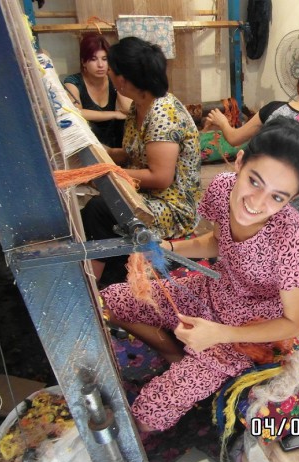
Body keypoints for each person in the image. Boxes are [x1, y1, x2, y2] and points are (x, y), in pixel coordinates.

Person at [100, 118, 299, 432]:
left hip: (247, 327)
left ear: (291, 200)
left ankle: (194, 359)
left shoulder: (291, 237)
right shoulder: (222, 187)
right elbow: (218, 241)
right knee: (113, 300)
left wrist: (219, 334)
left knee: (149, 413)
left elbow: (293, 322)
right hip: (212, 290)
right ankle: (172, 351)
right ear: (240, 162)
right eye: (254, 181)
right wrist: (167, 248)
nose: (257, 202)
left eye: (277, 197)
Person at [80, 37, 202, 285]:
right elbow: (132, 152)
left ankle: (93, 281)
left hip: (172, 207)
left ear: (123, 80)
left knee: (100, 209)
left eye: (111, 70)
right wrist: (97, 155)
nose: (108, 73)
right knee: (97, 207)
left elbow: (161, 177)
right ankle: (108, 269)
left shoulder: (163, 114)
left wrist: (107, 173)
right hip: (150, 194)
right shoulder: (139, 106)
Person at [207, 59, 299, 225]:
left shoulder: (272, 109)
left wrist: (222, 122)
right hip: (291, 202)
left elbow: (234, 139)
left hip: (258, 190)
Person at [63, 33, 131, 148]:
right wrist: (114, 114)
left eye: (105, 59)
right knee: (87, 125)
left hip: (115, 137)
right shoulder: (73, 82)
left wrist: (117, 77)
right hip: (90, 140)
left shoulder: (113, 78)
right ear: (84, 62)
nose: (100, 65)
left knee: (126, 122)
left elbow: (128, 109)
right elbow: (75, 112)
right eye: (93, 59)